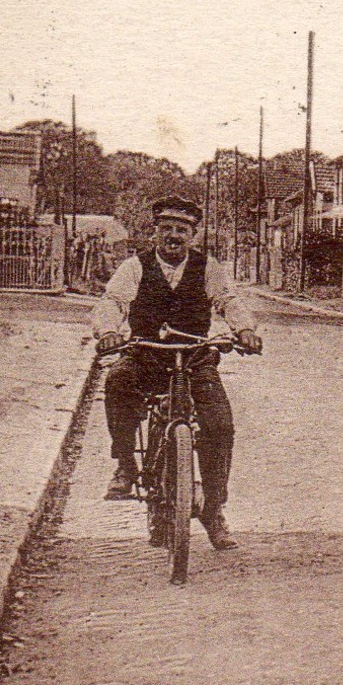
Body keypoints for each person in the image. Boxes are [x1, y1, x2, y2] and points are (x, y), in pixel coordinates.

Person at [92, 196, 263, 550]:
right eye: (166, 229)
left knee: (220, 426)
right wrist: (109, 330)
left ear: (192, 235)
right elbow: (113, 301)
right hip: (148, 356)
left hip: (195, 359)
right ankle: (126, 464)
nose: (173, 236)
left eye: (181, 230)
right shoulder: (135, 266)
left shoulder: (207, 267)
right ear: (155, 232)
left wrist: (244, 329)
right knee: (118, 382)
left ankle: (213, 510)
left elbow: (228, 300)